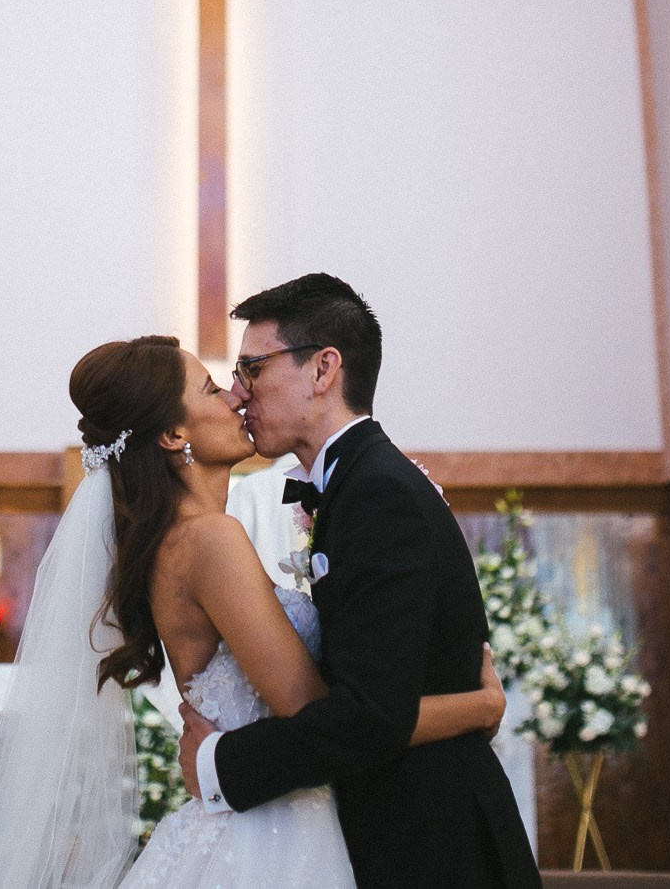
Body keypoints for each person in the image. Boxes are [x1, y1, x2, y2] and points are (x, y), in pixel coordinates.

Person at [0, 328, 505, 889]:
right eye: (214, 389)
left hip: (260, 814)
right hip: (272, 837)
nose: (238, 396)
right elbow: (320, 714)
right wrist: (476, 707)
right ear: (172, 434)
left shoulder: (176, 541)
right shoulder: (210, 540)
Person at [180, 274, 542, 889]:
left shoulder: (376, 491)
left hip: (433, 840)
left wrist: (222, 764)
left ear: (323, 370)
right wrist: (475, 706)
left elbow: (371, 714)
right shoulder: (355, 482)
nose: (240, 395)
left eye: (254, 369)